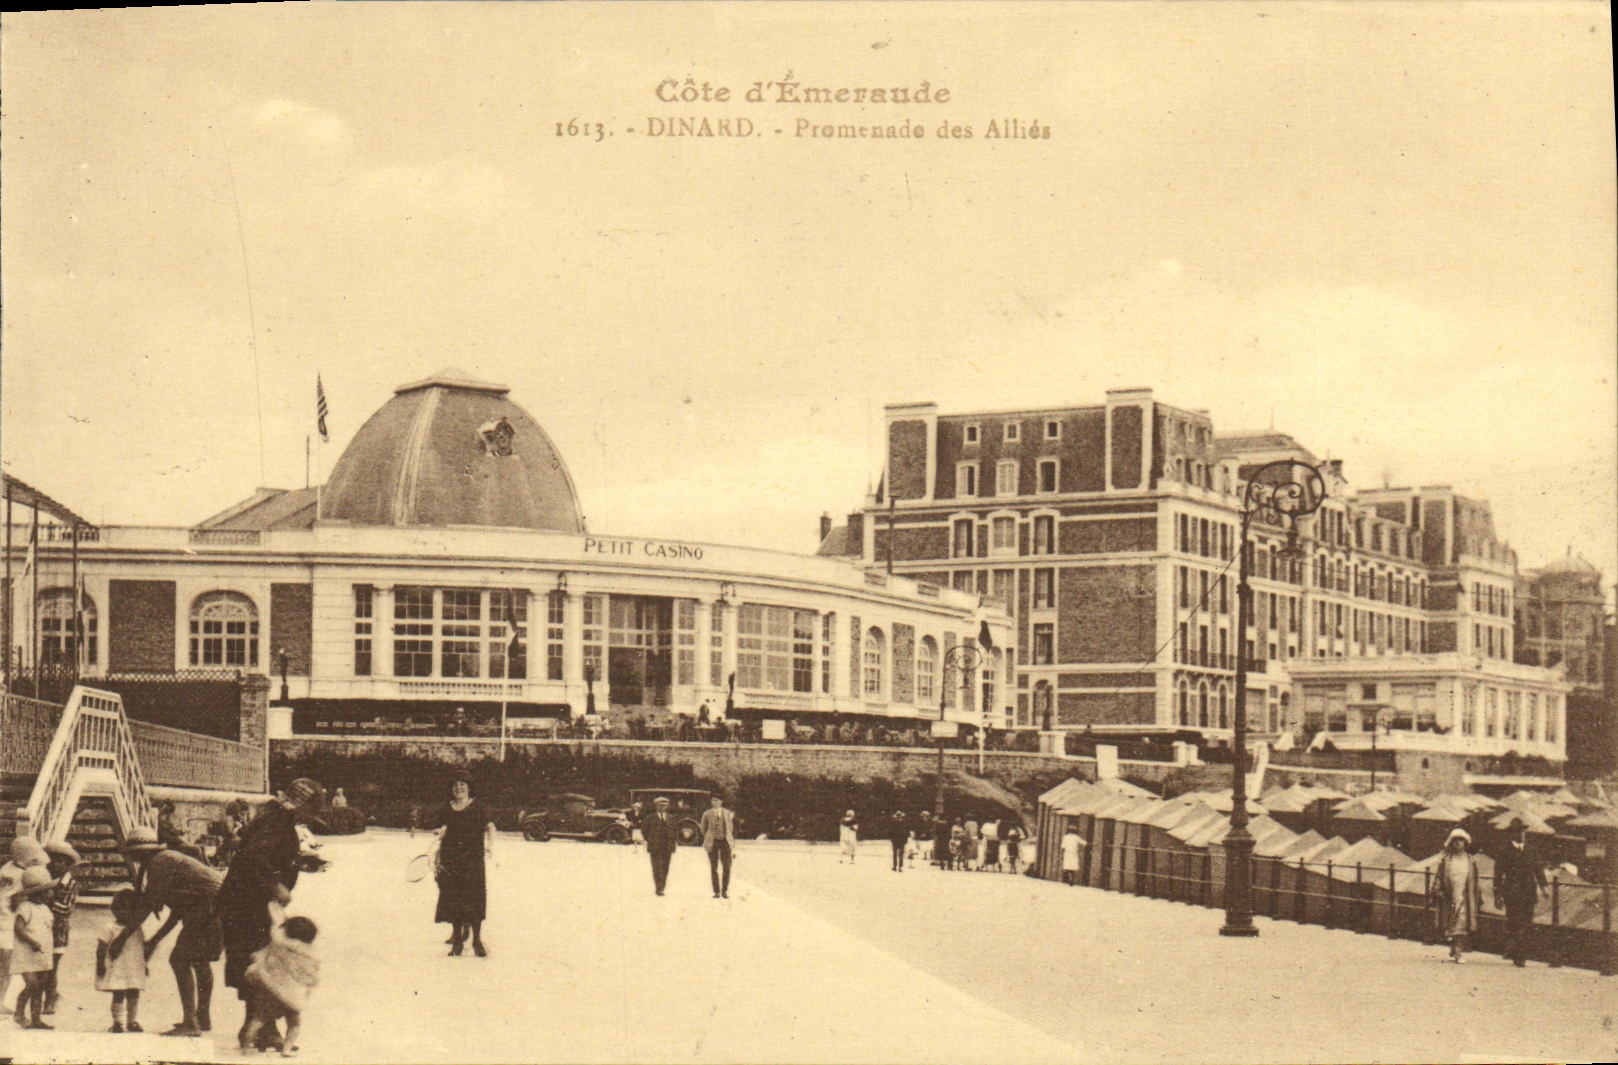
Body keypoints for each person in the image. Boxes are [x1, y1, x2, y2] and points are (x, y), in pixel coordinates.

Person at [218, 779, 323, 1051]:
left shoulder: (275, 816)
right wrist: (274, 884)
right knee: (259, 962)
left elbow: (263, 854)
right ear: (299, 805)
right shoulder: (275, 820)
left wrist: (297, 862)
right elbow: (253, 857)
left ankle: (258, 1027)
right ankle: (265, 1029)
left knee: (258, 961)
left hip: (248, 901)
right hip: (247, 902)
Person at [115, 825, 223, 1037]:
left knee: (179, 960)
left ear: (141, 851)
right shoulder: (165, 860)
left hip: (209, 909)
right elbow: (178, 910)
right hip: (213, 909)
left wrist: (122, 936)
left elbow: (148, 905)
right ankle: (201, 1017)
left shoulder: (159, 862)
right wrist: (155, 940)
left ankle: (191, 1023)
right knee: (200, 961)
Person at [241, 901, 319, 1057]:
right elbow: (312, 974)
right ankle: (287, 1049)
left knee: (258, 1019)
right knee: (294, 1024)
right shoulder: (309, 953)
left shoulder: (278, 943)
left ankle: (246, 1046)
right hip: (292, 996)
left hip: (272, 991)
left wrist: (272, 905)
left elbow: (276, 927)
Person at [431, 776, 494, 957]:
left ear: (468, 788)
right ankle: (457, 941)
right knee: (453, 900)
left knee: (474, 900)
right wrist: (440, 832)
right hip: (451, 860)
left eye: (462, 785)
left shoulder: (478, 807)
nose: (458, 788)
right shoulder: (446, 808)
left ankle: (476, 941)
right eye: (455, 785)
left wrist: (490, 845)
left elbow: (490, 827)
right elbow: (441, 829)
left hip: (473, 860)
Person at [1, 836, 47, 1018]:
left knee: (3, 968)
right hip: (8, 925)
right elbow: (15, 902)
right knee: (6, 969)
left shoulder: (6, 869)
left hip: (1, 922)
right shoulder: (21, 876)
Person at [1494, 819, 1547, 967]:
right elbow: (1498, 874)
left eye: (1523, 831)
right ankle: (1519, 955)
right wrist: (1497, 895)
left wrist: (1544, 886)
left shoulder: (1531, 849)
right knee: (1515, 922)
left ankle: (1516, 950)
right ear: (1512, 834)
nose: (1522, 834)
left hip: (1529, 891)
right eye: (1518, 831)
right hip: (1512, 891)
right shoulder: (1504, 851)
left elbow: (1538, 869)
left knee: (1527, 922)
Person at [10, 866, 58, 1029]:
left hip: (41, 955)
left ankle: (36, 1019)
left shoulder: (45, 909)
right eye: (48, 891)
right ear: (38, 893)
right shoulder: (26, 907)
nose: (51, 894)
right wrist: (32, 941)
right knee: (33, 986)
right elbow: (19, 928)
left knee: (40, 986)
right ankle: (19, 1013)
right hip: (27, 955)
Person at [97, 888, 148, 1033]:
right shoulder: (109, 927)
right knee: (118, 993)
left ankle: (131, 1021)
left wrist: (145, 964)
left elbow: (141, 947)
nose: (124, 912)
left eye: (128, 909)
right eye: (120, 908)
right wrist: (100, 964)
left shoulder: (137, 929)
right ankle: (118, 1022)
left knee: (134, 992)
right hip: (117, 967)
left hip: (132, 967)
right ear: (113, 909)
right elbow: (101, 947)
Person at [1430, 827, 1483, 963]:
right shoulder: (1446, 860)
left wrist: (1478, 896)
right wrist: (1437, 890)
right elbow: (1439, 877)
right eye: (1455, 841)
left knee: (1462, 923)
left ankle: (1458, 951)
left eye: (1461, 840)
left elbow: (1476, 880)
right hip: (1450, 895)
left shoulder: (1471, 861)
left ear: (1465, 843)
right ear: (1451, 843)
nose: (1458, 843)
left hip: (1465, 896)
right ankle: (1454, 946)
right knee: (1451, 923)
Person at [42, 841, 81, 1016]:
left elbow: (65, 909)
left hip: (58, 930)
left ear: (67, 864)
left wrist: (47, 902)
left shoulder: (71, 884)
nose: (55, 864)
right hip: (41, 927)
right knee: (40, 966)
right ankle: (47, 996)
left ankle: (50, 999)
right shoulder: (44, 880)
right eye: (52, 859)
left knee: (52, 967)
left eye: (60, 861)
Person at [699, 794, 737, 898]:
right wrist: (709, 836)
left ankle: (724, 890)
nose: (714, 802)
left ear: (721, 801)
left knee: (727, 866)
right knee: (713, 867)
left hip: (725, 842)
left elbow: (730, 827)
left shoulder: (727, 813)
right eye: (712, 800)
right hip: (713, 842)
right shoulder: (707, 814)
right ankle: (716, 891)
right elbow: (703, 828)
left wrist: (727, 837)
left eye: (716, 800)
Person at [642, 796, 680, 896]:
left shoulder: (671, 818)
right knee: (657, 868)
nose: (663, 808)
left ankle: (662, 886)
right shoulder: (650, 818)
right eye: (660, 806)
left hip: (667, 846)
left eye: (665, 806)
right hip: (655, 846)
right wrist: (651, 840)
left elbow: (675, 830)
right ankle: (659, 888)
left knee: (665, 867)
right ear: (656, 806)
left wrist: (673, 842)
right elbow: (644, 831)